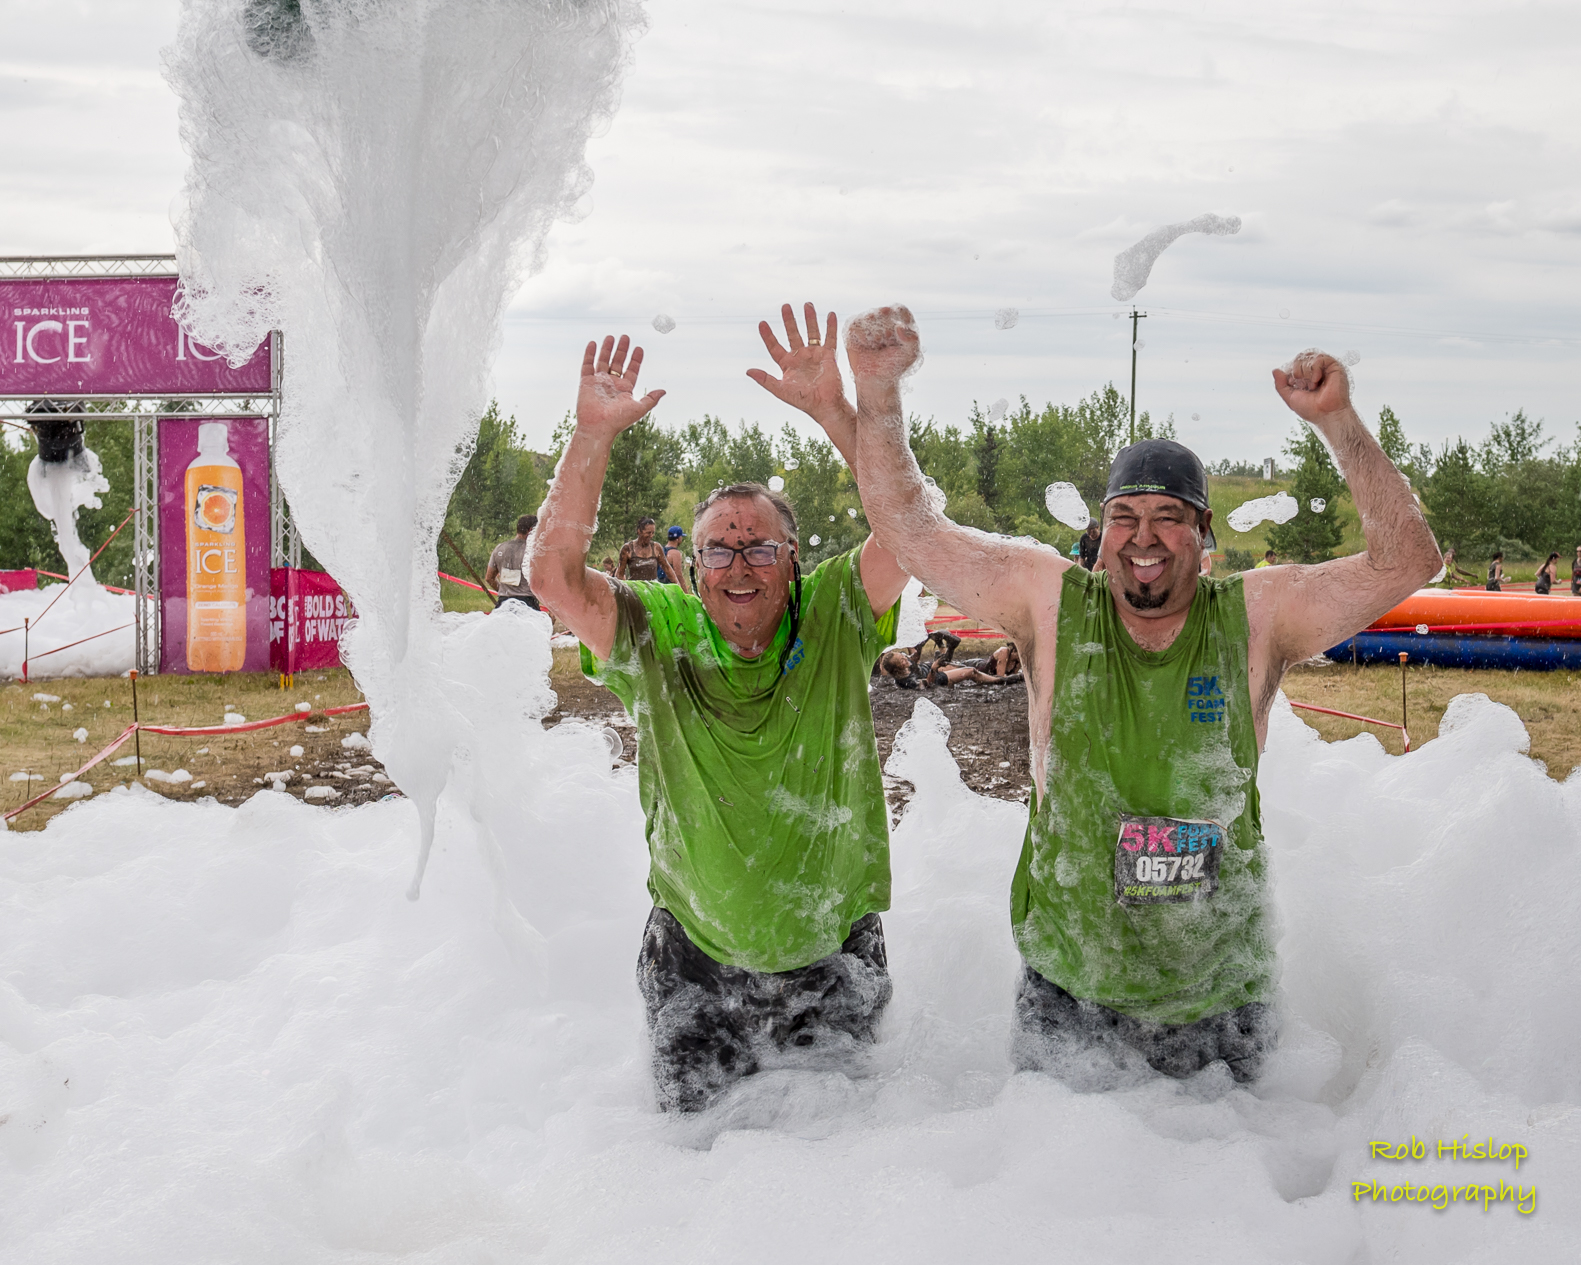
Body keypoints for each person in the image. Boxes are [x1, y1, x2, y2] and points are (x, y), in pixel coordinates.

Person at [796, 304, 1440, 1088]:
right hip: (1071, 1001)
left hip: (1220, 1008)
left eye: (1168, 518)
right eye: (1123, 516)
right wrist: (878, 391)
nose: (1142, 537)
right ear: (1098, 533)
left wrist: (1336, 420)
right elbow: (912, 531)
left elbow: (1407, 559)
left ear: (1202, 534)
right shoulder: (1050, 602)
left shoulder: (1255, 616)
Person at [530, 324, 909, 1112]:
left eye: (760, 548)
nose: (739, 565)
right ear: (690, 565)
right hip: (694, 963)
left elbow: (915, 534)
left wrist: (843, 411)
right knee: (691, 1185)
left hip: (833, 959)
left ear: (794, 559)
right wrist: (591, 435)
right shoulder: (659, 629)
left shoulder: (835, 610)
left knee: (852, 1180)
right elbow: (553, 578)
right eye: (718, 550)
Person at [484, 514, 541, 611]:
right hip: (528, 604)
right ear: (531, 530)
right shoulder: (534, 552)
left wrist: (505, 592)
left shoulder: (499, 548)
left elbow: (489, 578)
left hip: (504, 604)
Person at [662, 526, 694, 594]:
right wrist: (685, 593)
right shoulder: (675, 553)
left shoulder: (661, 550)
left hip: (661, 587)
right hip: (670, 589)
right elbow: (678, 575)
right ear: (678, 538)